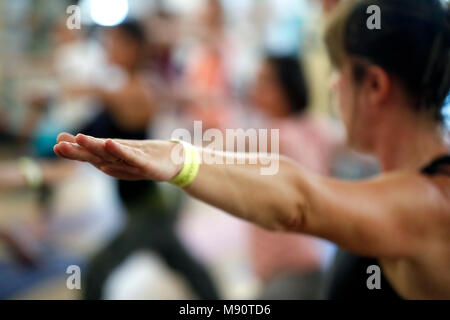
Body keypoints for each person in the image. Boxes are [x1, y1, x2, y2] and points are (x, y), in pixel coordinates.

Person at [54, 0, 450, 299]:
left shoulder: (429, 200)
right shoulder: (396, 173)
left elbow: (301, 198)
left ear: (376, 87)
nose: (332, 86)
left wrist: (181, 159)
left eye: (338, 72)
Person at [65, 20, 220, 300]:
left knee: (97, 271)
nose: (108, 48)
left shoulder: (140, 88)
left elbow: (133, 103)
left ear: (134, 48)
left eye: (114, 42)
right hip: (143, 202)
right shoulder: (122, 89)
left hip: (153, 203)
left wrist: (90, 90)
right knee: (180, 260)